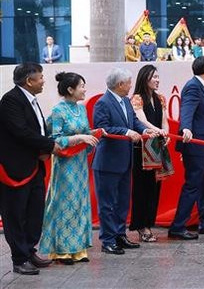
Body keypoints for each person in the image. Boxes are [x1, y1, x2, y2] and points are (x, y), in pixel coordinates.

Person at [0, 62, 59, 275]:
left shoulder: (32, 101)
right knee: (15, 214)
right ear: (29, 80)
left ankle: (29, 249)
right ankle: (19, 258)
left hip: (34, 165)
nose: (44, 80)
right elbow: (20, 131)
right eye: (41, 77)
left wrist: (44, 146)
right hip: (15, 169)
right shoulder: (10, 100)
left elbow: (36, 130)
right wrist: (49, 145)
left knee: (35, 212)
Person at [92, 68, 159, 255]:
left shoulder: (126, 102)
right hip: (108, 163)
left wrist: (144, 131)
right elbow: (102, 128)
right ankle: (107, 240)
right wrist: (125, 132)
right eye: (129, 82)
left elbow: (134, 122)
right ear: (120, 85)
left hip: (125, 161)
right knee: (107, 203)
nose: (131, 85)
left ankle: (120, 235)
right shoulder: (102, 103)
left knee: (122, 202)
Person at [40, 72, 100, 264]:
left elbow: (85, 133)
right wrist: (80, 138)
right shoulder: (58, 110)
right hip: (64, 164)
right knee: (65, 204)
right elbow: (55, 139)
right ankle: (61, 250)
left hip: (80, 163)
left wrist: (94, 135)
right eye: (81, 86)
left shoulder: (81, 110)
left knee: (80, 203)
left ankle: (79, 249)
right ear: (70, 89)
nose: (84, 89)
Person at [169, 56, 204, 240]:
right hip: (196, 147)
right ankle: (177, 226)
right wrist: (185, 128)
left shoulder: (200, 86)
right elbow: (187, 109)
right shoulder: (193, 86)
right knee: (192, 186)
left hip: (202, 148)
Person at [129, 65, 170, 243]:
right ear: (145, 78)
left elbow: (165, 120)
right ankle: (141, 225)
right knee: (141, 187)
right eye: (154, 77)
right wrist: (159, 131)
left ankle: (149, 223)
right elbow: (141, 120)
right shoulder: (137, 99)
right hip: (141, 149)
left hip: (157, 147)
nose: (157, 80)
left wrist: (165, 133)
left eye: (158, 77)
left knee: (154, 188)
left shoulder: (161, 98)